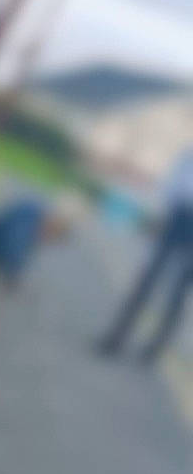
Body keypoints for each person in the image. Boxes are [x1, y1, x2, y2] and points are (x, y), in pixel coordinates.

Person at [94, 143, 193, 363]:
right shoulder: (189, 155)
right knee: (146, 282)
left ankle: (153, 350)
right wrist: (160, 216)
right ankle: (116, 336)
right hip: (177, 219)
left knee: (178, 297)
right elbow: (173, 185)